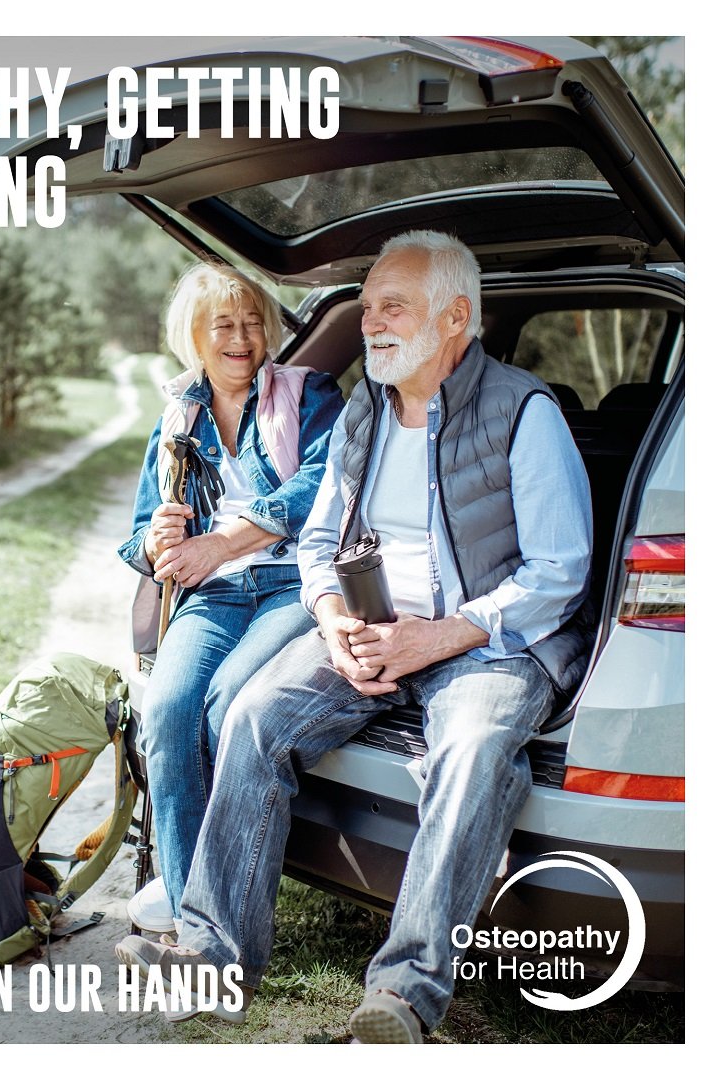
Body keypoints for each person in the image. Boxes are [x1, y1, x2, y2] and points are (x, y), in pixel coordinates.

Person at [115, 230, 593, 1040]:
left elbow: (559, 573)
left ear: (455, 319)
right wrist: (334, 620)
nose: (371, 323)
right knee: (255, 714)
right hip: (369, 626)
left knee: (473, 751)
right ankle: (210, 952)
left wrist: (437, 638)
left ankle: (402, 993)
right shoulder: (365, 410)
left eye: (392, 307)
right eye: (367, 307)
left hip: (491, 641)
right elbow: (317, 541)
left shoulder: (525, 411)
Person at [117, 261, 344, 937]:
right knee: (166, 711)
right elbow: (136, 535)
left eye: (251, 322)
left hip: (287, 585)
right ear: (195, 335)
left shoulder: (309, 392)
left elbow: (321, 485)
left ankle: (217, 903)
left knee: (224, 707)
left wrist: (225, 542)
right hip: (212, 597)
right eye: (224, 324)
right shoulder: (178, 419)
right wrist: (158, 546)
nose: (241, 337)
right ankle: (194, 911)